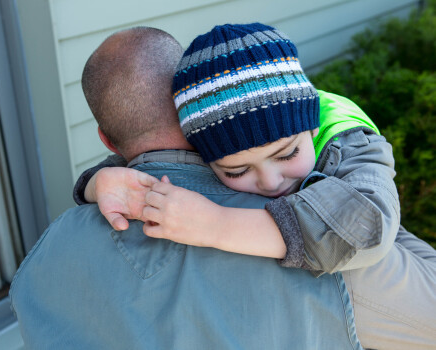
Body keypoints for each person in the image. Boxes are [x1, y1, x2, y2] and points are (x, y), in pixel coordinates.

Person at [75, 24, 436, 349]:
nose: (270, 180)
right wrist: (97, 182)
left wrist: (216, 224)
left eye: (287, 154)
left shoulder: (347, 138)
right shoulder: (226, 139)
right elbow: (150, 155)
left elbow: (365, 225)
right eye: (236, 171)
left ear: (311, 128)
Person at [9, 27, 362, 349]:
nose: (270, 181)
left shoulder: (40, 263)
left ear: (107, 140)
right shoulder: (311, 233)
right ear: (196, 119)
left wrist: (93, 183)